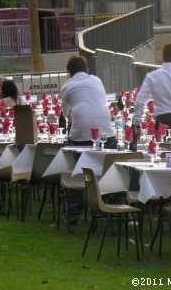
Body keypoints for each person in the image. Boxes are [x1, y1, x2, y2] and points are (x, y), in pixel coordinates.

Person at [60, 55, 116, 228]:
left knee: (77, 172)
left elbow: (65, 113)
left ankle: (74, 215)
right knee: (113, 169)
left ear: (68, 73)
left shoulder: (67, 86)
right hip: (106, 130)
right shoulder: (96, 80)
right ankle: (118, 208)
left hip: (81, 132)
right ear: (87, 70)